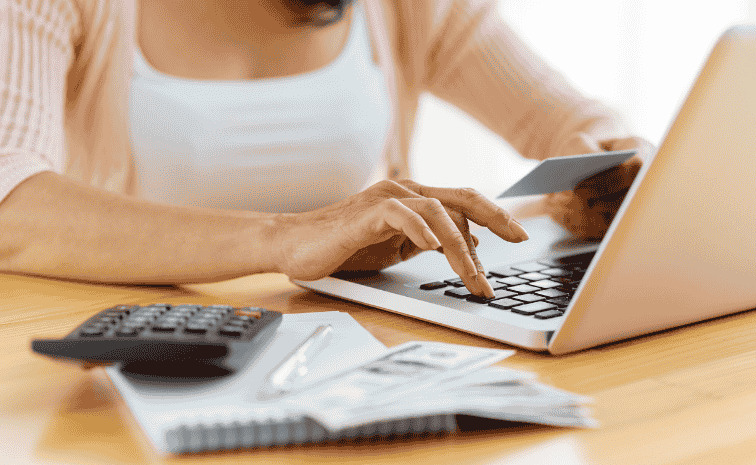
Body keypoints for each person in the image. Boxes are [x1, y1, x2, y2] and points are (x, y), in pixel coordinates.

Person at [0, 0, 651, 298]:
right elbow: (12, 203)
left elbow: (574, 121)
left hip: (344, 337)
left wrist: (609, 165)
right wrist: (284, 238)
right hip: (140, 345)